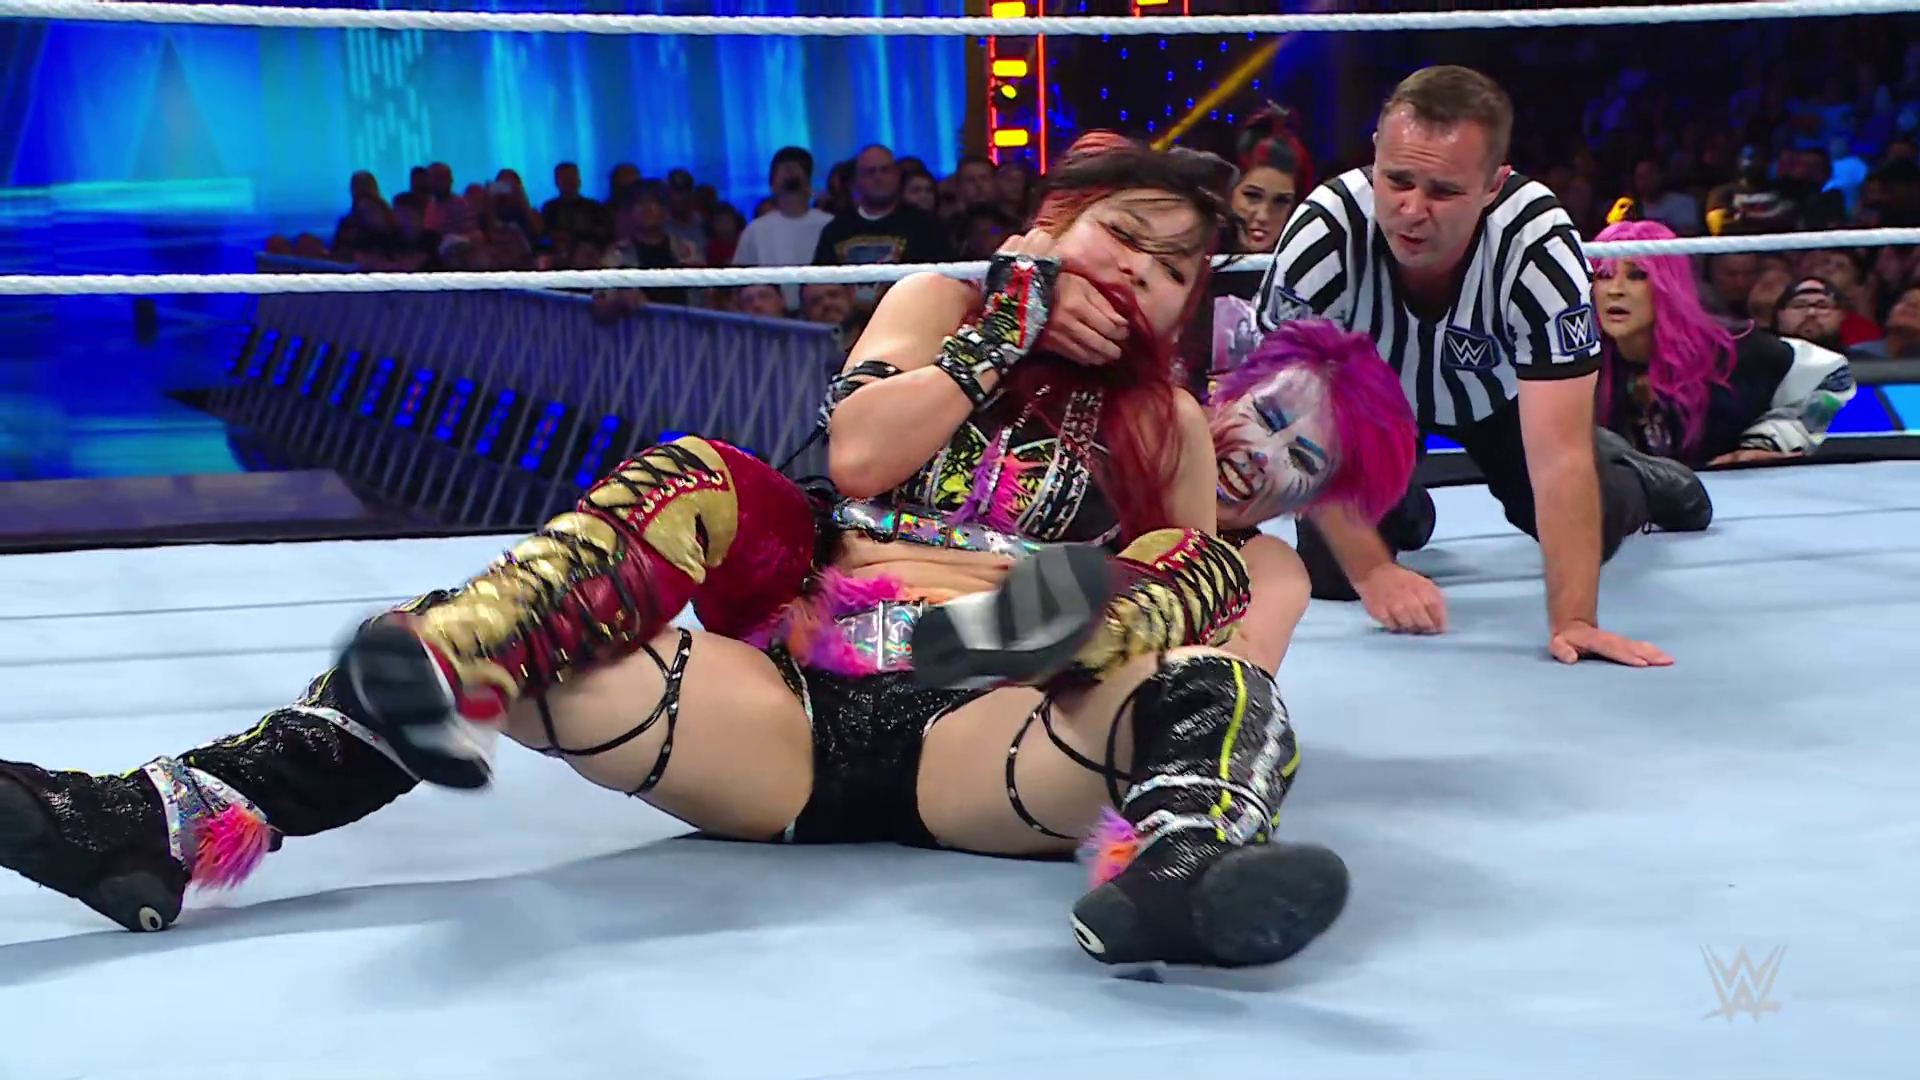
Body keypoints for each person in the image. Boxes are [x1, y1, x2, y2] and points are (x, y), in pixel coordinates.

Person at [0, 134, 1405, 971]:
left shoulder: (1164, 422)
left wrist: (1167, 593)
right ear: (1049, 232)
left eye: (1175, 269)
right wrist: (1007, 331)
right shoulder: (937, 302)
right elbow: (860, 459)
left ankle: (1175, 880)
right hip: (782, 704)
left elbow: (1200, 631)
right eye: (1122, 239)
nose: (1143, 274)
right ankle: (175, 818)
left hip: (986, 736)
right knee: (636, 537)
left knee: (1203, 617)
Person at [1253, 65, 1713, 667]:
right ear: (1375, 153)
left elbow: (1559, 458)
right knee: (1334, 570)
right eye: (1397, 180)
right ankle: (1399, 500)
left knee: (1588, 530)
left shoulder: (1536, 246)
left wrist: (1574, 621)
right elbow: (1286, 424)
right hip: (1371, 409)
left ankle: (1643, 480)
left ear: (1494, 184)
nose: (1412, 210)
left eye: (1444, 192)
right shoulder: (1325, 235)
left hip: (1501, 397)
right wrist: (1372, 569)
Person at [1591, 220, 1857, 468]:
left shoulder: (1729, 350)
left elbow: (1834, 375)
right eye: (1604, 275)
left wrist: (1767, 441)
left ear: (1669, 286)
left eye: (1636, 275)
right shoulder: (1587, 364)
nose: (1615, 290)